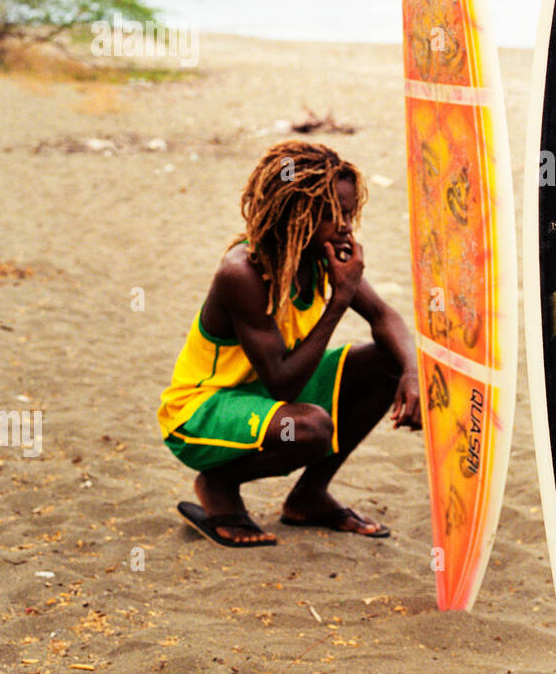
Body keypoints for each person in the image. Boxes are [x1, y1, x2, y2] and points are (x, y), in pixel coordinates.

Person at [158, 140, 420, 547]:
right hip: (201, 412)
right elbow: (284, 385)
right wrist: (339, 300)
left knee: (387, 361)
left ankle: (309, 496)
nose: (347, 226)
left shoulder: (320, 255)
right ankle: (218, 483)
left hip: (265, 392)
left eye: (350, 214)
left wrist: (412, 372)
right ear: (296, 213)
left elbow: (385, 317)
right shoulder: (243, 272)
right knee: (311, 427)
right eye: (335, 216)